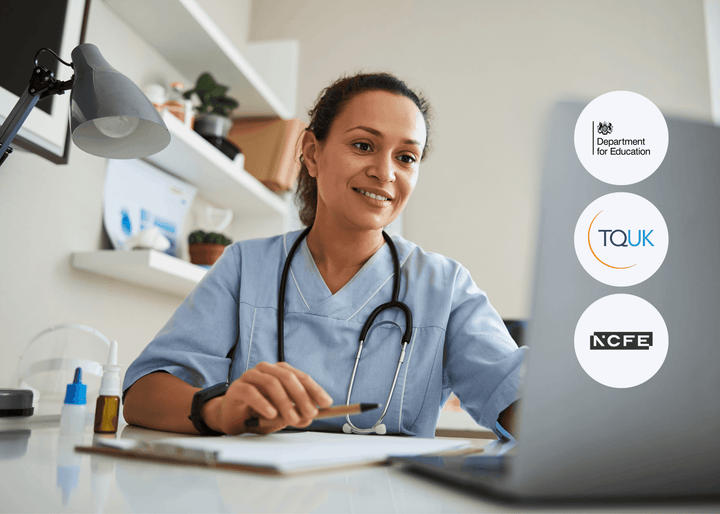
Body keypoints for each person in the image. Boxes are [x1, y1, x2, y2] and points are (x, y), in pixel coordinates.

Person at [123, 72, 526, 439]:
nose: (385, 172)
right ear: (312, 154)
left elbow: (516, 398)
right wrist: (219, 410)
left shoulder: (444, 286)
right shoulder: (246, 267)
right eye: (363, 145)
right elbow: (142, 394)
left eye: (406, 157)